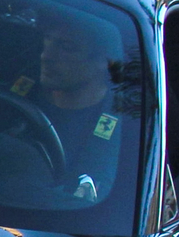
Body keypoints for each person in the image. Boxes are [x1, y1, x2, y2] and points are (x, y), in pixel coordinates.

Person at [14, 16, 124, 193]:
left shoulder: (126, 129)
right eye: (47, 40)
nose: (46, 56)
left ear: (103, 62)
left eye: (66, 47)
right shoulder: (21, 87)